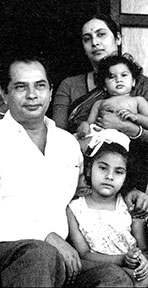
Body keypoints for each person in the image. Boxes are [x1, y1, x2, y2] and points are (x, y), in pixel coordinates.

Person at [0, 53, 144, 287]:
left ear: (50, 91)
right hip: (10, 253)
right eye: (20, 87)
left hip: (63, 258)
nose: (32, 95)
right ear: (4, 94)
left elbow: (88, 186)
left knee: (113, 277)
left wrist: (128, 193)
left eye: (40, 85)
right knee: (40, 254)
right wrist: (46, 237)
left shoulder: (67, 143)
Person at [67, 129, 148, 287]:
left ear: (125, 178)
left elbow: (143, 247)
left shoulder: (128, 206)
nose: (110, 176)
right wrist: (121, 260)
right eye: (103, 168)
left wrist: (141, 260)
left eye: (118, 172)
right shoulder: (74, 208)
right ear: (90, 169)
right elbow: (83, 253)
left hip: (134, 270)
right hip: (99, 271)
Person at [52, 12, 148, 135]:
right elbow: (57, 135)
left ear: (118, 38)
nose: (95, 43)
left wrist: (128, 128)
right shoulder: (69, 85)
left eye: (101, 34)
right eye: (87, 39)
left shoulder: (143, 85)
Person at [76, 53, 148, 139]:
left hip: (129, 140)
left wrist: (136, 117)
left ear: (133, 82)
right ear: (104, 86)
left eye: (124, 75)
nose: (118, 80)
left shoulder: (138, 100)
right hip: (103, 138)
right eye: (111, 77)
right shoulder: (100, 103)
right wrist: (85, 125)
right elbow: (90, 123)